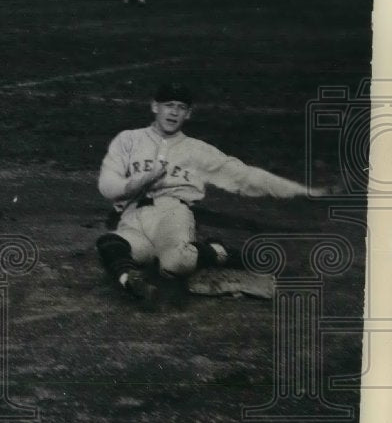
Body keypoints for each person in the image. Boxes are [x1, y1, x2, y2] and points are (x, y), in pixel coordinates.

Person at [95, 82, 327, 303]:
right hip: (132, 217)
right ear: (155, 106)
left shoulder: (198, 150)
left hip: (172, 213)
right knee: (111, 245)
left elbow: (245, 176)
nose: (174, 112)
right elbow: (107, 184)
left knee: (173, 264)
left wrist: (299, 190)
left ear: (188, 114)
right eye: (168, 105)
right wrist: (141, 181)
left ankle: (219, 252)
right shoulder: (128, 140)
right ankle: (131, 282)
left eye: (181, 107)